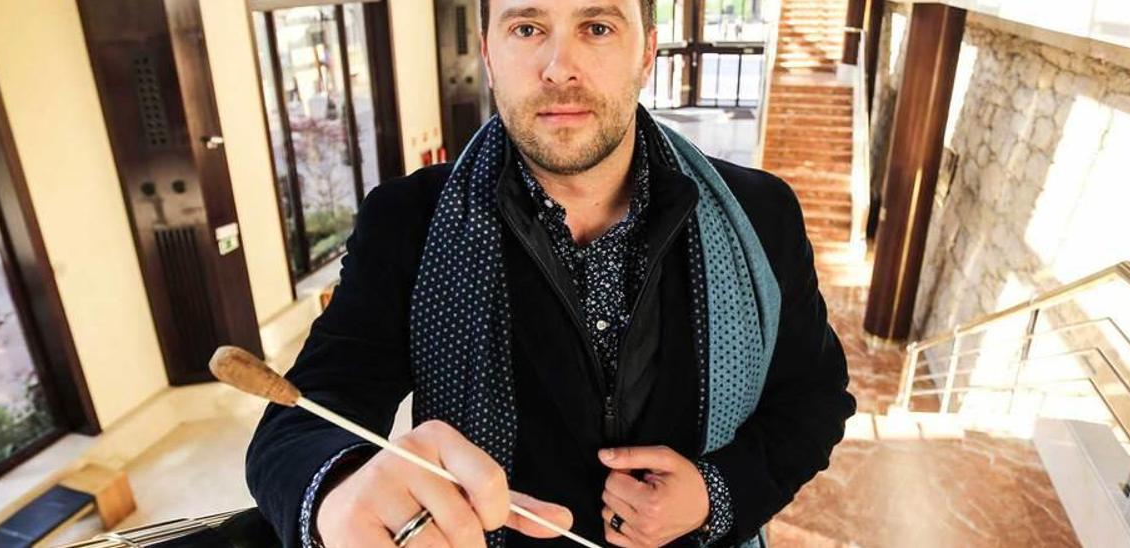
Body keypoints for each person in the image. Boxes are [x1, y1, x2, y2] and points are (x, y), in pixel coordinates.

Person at [245, 0, 856, 546]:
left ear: (646, 50)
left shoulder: (760, 212)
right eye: (528, 27)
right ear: (488, 52)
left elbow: (813, 398)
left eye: (596, 26)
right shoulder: (409, 221)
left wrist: (716, 495)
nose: (559, 67)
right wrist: (340, 492)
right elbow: (307, 416)